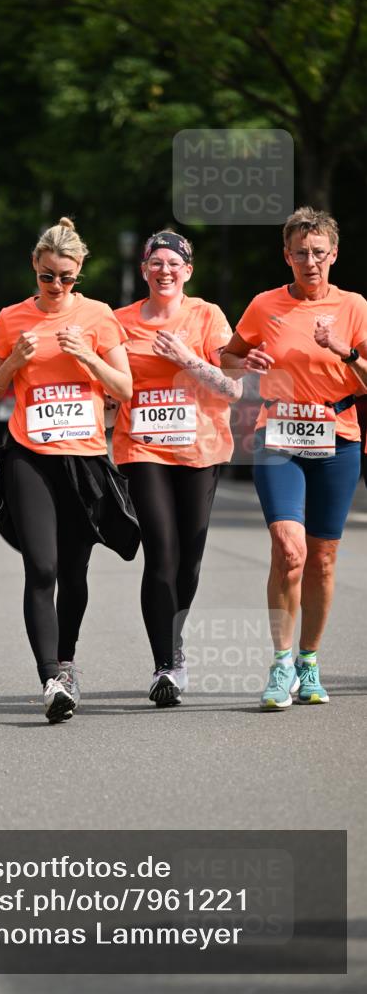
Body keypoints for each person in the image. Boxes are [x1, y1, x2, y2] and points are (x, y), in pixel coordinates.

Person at [0, 217, 138, 723]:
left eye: (67, 278)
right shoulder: (11, 319)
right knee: (41, 568)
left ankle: (66, 662)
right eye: (47, 275)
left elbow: (125, 388)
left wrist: (88, 355)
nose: (56, 285)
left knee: (73, 572)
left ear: (80, 271)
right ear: (34, 265)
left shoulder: (99, 316)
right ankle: (50, 679)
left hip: (83, 459)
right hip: (28, 456)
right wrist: (12, 363)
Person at [221, 207, 367, 710]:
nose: (311, 261)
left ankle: (309, 661)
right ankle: (281, 662)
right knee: (289, 549)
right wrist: (247, 360)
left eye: (319, 252)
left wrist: (345, 351)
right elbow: (227, 357)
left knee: (322, 559)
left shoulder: (354, 306)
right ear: (287, 256)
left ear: (334, 254)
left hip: (337, 438)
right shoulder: (265, 305)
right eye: (301, 253)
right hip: (278, 436)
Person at [112, 230, 242, 707]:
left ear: (188, 271)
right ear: (144, 270)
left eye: (174, 263)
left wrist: (186, 358)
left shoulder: (207, 316)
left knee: (189, 562)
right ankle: (164, 664)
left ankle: (175, 637)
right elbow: (109, 385)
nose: (164, 271)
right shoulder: (119, 322)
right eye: (156, 263)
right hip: (142, 449)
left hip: (200, 450)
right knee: (161, 555)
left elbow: (233, 389)